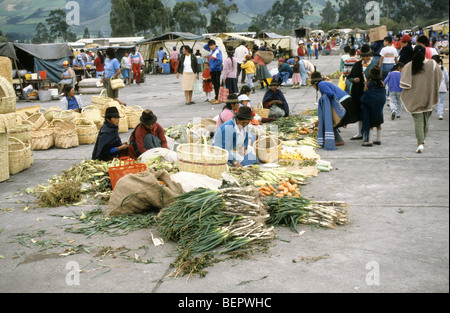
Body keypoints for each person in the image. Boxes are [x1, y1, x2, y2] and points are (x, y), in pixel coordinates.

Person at [400, 45, 442, 153]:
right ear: (425, 53)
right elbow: (439, 77)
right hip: (429, 97)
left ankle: (420, 143)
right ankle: (422, 140)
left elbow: (404, 83)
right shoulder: (432, 64)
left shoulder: (409, 66)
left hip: (414, 98)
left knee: (418, 121)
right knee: (425, 120)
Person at [311, 72, 355, 147]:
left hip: (343, 101)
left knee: (329, 122)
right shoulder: (324, 83)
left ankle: (338, 140)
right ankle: (338, 139)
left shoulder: (321, 84)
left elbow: (330, 94)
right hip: (345, 100)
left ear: (315, 84)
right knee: (332, 121)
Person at [346, 44, 378, 140]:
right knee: (359, 112)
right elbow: (349, 77)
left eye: (367, 56)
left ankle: (367, 133)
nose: (365, 58)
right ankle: (359, 132)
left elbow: (379, 79)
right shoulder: (356, 65)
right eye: (363, 56)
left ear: (370, 55)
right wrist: (353, 80)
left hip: (370, 92)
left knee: (367, 112)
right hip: (357, 92)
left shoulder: (374, 65)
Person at [360, 66, 387, 146]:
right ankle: (378, 139)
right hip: (379, 106)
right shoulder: (381, 83)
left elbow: (365, 90)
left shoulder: (370, 83)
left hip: (371, 105)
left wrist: (365, 84)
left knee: (370, 124)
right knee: (378, 124)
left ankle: (369, 141)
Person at [203, 39, 223, 104]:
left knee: (217, 84)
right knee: (214, 84)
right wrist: (209, 41)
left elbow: (220, 60)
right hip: (212, 70)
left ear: (215, 45)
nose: (210, 47)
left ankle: (219, 98)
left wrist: (213, 66)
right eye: (210, 46)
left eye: (212, 45)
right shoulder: (212, 50)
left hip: (216, 70)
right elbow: (204, 47)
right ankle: (216, 96)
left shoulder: (218, 51)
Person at [431, 55, 449, 120]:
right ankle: (440, 114)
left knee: (432, 101)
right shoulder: (443, 68)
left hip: (434, 88)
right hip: (442, 88)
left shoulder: (431, 68)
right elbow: (447, 79)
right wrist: (447, 86)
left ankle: (430, 112)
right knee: (441, 102)